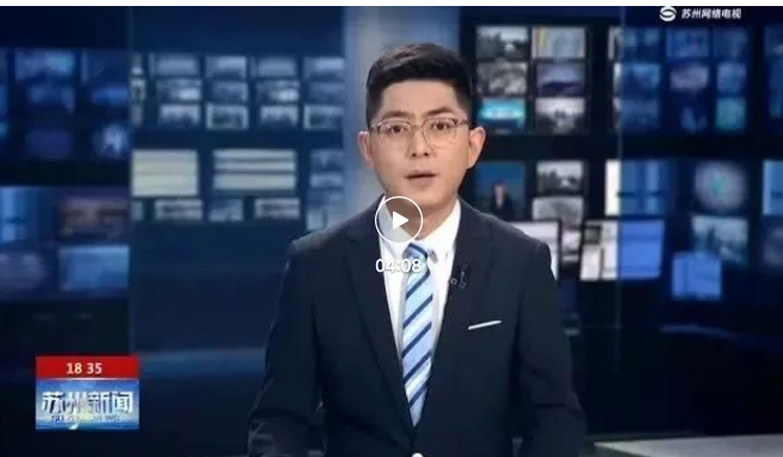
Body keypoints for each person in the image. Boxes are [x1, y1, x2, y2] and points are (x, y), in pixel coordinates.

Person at [248, 43, 585, 457]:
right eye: (396, 129)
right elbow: (280, 419)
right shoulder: (316, 265)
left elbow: (554, 418)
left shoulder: (521, 262)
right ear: (368, 148)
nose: (419, 147)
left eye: (440, 126)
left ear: (473, 145)